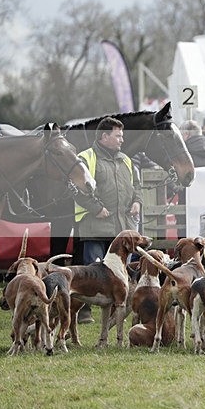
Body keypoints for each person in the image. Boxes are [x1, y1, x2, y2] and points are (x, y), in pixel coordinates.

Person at [74, 117, 142, 323]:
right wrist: (96, 208)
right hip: (96, 225)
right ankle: (83, 310)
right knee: (93, 271)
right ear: (105, 136)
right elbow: (77, 188)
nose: (122, 139)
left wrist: (137, 201)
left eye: (122, 135)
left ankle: (116, 309)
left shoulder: (127, 160)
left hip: (123, 229)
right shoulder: (85, 158)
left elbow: (136, 186)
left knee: (121, 272)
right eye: (118, 135)